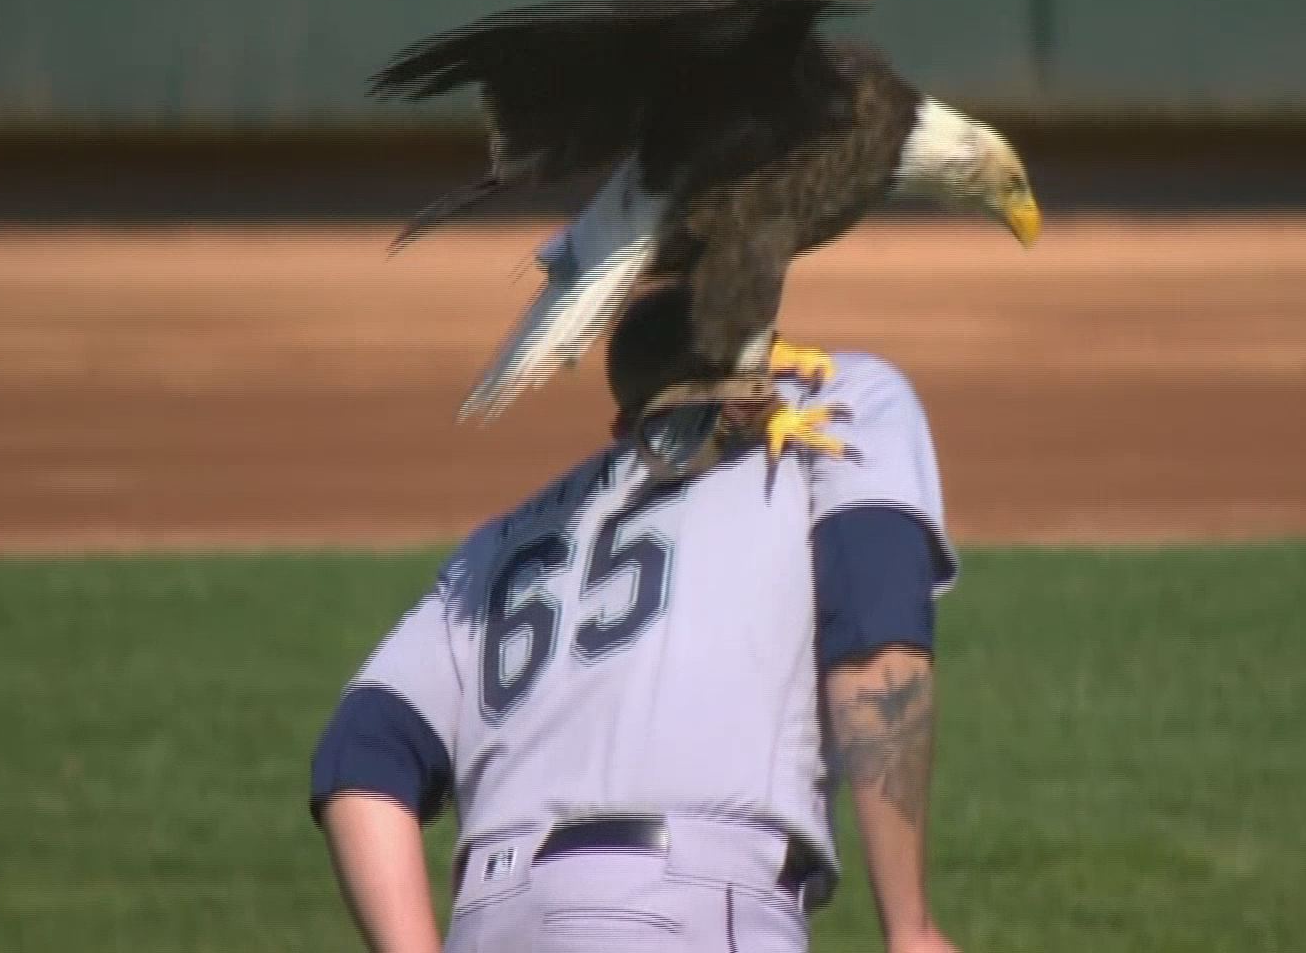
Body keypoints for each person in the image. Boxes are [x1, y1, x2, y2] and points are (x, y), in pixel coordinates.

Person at [309, 280, 964, 953]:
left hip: (490, 920)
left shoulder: (498, 547)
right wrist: (908, 926)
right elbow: (875, 643)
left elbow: (361, 754)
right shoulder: (839, 399)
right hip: (689, 908)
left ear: (626, 428)